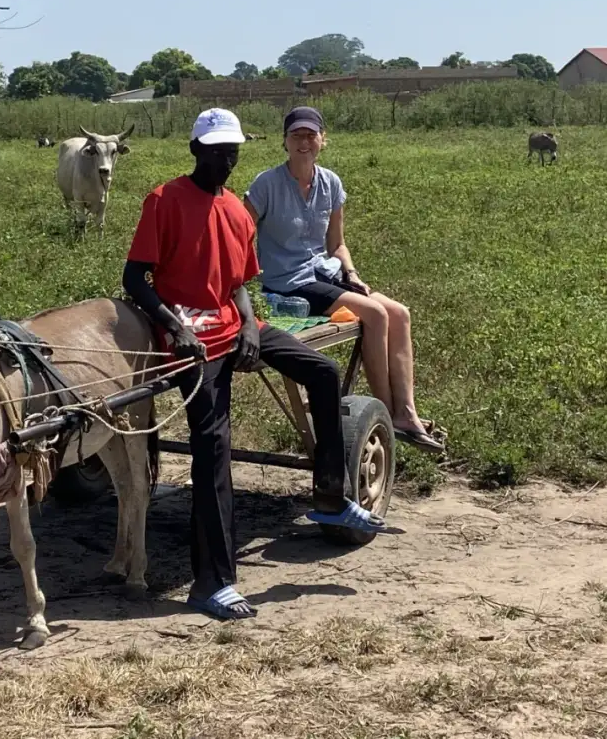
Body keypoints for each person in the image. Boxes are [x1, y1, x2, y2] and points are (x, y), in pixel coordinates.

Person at [122, 107, 389, 622]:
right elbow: (136, 278)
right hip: (191, 340)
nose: (225, 160)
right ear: (196, 150)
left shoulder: (238, 213)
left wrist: (249, 326)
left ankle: (331, 498)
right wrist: (173, 326)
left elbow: (239, 283)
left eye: (232, 152)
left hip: (234, 324)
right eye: (216, 151)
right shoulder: (164, 200)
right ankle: (211, 583)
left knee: (324, 373)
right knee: (214, 445)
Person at [245, 106, 443, 453]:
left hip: (324, 272)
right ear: (285, 142)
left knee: (399, 312)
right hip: (287, 283)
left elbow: (336, 244)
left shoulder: (331, 183)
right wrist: (245, 278)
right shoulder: (266, 184)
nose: (304, 142)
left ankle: (407, 410)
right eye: (297, 136)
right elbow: (240, 232)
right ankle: (384, 415)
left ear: (323, 140)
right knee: (376, 314)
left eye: (311, 135)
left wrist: (351, 273)